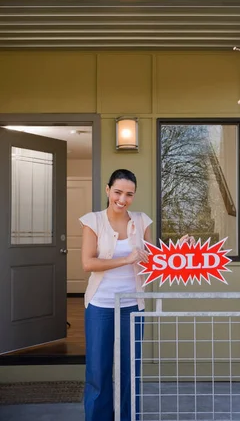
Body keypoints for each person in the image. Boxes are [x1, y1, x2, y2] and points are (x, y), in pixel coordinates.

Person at [80, 168, 151, 421]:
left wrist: (179, 252)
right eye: (118, 192)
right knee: (98, 370)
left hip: (133, 304)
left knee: (130, 370)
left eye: (129, 194)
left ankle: (128, 417)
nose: (122, 199)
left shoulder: (142, 221)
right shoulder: (93, 221)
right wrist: (125, 260)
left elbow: (149, 261)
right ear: (108, 190)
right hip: (101, 304)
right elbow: (88, 263)